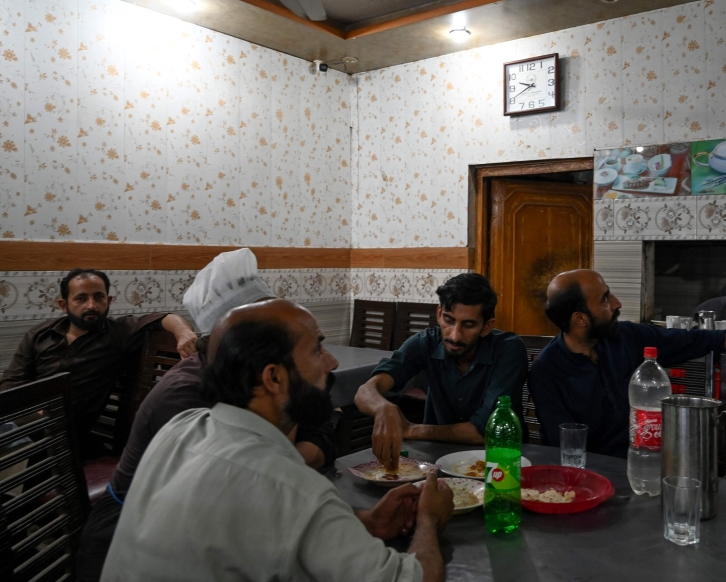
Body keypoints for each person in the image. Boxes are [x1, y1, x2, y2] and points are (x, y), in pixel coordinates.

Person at [101, 299, 454, 582]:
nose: (331, 362)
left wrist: (369, 522)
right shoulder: (290, 486)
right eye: (317, 349)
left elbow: (259, 517)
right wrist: (428, 520)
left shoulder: (180, 429)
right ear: (273, 377)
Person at [75, 249, 338, 582]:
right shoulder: (185, 397)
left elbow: (318, 425)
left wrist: (293, 459)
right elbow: (240, 492)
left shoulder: (265, 380)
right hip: (137, 539)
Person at [528, 269, 726, 458]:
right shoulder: (546, 372)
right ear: (580, 319)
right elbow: (566, 451)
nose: (617, 303)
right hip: (597, 478)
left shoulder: (628, 336)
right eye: (605, 299)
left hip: (650, 463)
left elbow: (704, 340)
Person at [0, 268, 197, 457]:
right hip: (27, 424)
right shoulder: (39, 335)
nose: (91, 305)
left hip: (67, 437)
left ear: (109, 300)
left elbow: (164, 318)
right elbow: (10, 385)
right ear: (63, 305)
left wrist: (184, 332)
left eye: (99, 297)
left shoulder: (117, 333)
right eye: (81, 298)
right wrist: (34, 413)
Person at [355, 273, 528, 471]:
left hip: (501, 463)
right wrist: (383, 408)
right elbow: (365, 391)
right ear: (439, 314)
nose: (454, 335)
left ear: (487, 326)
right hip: (437, 459)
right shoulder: (426, 342)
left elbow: (483, 432)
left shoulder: (509, 349)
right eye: (448, 320)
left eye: (468, 325)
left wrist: (412, 429)